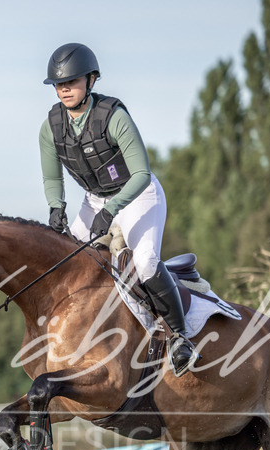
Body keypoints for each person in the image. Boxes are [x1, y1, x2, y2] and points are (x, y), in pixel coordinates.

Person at [39, 42, 196, 377]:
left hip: (137, 195)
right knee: (65, 261)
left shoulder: (113, 117)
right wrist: (55, 207)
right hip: (94, 199)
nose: (64, 88)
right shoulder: (51, 127)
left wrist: (111, 211)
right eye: (59, 84)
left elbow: (141, 174)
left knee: (145, 261)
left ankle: (180, 337)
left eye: (72, 81)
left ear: (91, 80)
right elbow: (52, 178)